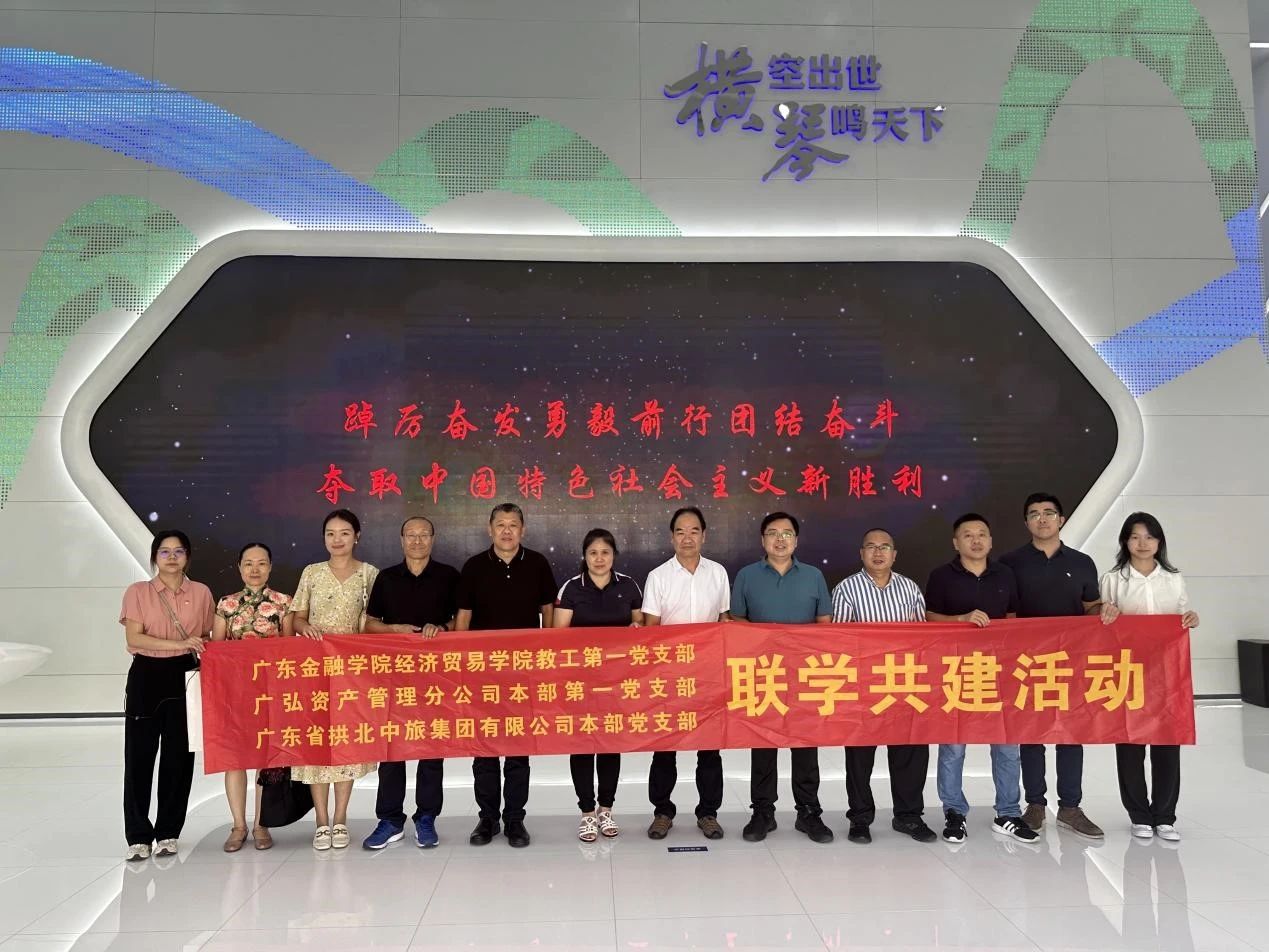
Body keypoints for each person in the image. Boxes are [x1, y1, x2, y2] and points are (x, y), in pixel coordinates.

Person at [925, 513, 1038, 844]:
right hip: (954, 671)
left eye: (982, 534)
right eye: (968, 535)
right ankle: (954, 812)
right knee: (953, 745)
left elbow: (1013, 618)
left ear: (990, 541)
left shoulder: (1005, 574)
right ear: (955, 542)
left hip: (999, 671)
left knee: (1007, 745)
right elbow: (928, 618)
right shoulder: (941, 576)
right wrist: (960, 620)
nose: (975, 540)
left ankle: (1008, 813)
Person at [1000, 492, 1104, 839]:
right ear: (1026, 522)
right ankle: (1035, 804)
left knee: (1071, 734)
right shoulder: (1010, 563)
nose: (1042, 519)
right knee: (1031, 734)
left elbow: (1090, 607)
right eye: (1034, 514)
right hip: (1026, 663)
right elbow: (1006, 613)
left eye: (1048, 513)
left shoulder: (1082, 562)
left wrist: (1104, 610)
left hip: (1071, 662)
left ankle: (1071, 807)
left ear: (1061, 519)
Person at [455, 503, 557, 849]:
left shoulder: (538, 563)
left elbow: (548, 612)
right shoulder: (474, 567)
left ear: (523, 530)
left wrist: (546, 657)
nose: (507, 531)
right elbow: (463, 617)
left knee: (517, 749)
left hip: (523, 672)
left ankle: (515, 819)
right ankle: (487, 819)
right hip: (482, 672)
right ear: (490, 529)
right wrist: (462, 667)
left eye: (513, 525)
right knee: (484, 749)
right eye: (501, 525)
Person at [732, 512, 834, 844]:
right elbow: (736, 622)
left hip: (805, 674)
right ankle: (763, 812)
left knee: (805, 746)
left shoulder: (814, 576)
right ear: (762, 540)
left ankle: (809, 812)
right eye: (773, 533)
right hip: (763, 673)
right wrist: (768, 641)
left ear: (796, 540)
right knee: (763, 745)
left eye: (787, 533)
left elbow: (824, 624)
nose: (780, 539)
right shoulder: (746, 576)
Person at [830, 528, 936, 844]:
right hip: (863, 687)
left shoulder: (910, 588)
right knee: (860, 757)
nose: (878, 553)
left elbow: (923, 637)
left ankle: (909, 816)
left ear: (894, 554)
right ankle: (860, 818)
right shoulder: (846, 589)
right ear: (861, 553)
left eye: (885, 547)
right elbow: (838, 641)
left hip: (904, 683)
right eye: (871, 547)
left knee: (910, 752)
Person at [361, 516, 459, 851]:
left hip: (436, 675)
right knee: (392, 749)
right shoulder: (387, 578)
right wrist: (393, 630)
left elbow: (462, 621)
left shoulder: (449, 576)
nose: (417, 541)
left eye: (423, 535)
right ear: (401, 540)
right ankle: (390, 820)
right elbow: (370, 625)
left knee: (432, 747)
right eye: (411, 535)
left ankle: (426, 818)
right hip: (393, 674)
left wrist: (442, 629)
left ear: (433, 538)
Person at [1099, 512, 1199, 842]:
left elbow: (1180, 617)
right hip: (1128, 671)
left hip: (1167, 672)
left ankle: (1165, 815)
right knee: (1130, 741)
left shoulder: (1173, 578)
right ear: (1125, 541)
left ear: (1159, 542)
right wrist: (1107, 614)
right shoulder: (1113, 579)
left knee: (1167, 741)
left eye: (1149, 537)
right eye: (1135, 537)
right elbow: (1102, 625)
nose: (1142, 543)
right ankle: (1139, 814)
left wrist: (1190, 618)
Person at [119, 530, 215, 862]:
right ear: (154, 557)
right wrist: (179, 643)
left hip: (185, 677)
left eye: (178, 551)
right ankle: (137, 836)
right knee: (139, 758)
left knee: (178, 759)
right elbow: (134, 639)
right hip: (147, 675)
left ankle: (168, 833)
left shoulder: (201, 592)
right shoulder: (138, 592)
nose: (172, 557)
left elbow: (206, 635)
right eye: (164, 551)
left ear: (188, 556)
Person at [289, 509, 379, 851]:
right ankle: (321, 822)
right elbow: (297, 618)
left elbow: (374, 623)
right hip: (314, 669)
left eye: (344, 533)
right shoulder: (311, 573)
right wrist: (305, 628)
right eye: (330, 533)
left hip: (351, 670)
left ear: (357, 536)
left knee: (345, 742)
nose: (337, 539)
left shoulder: (369, 574)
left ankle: (340, 819)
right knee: (316, 741)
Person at [642, 506, 731, 841]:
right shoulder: (658, 576)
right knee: (665, 747)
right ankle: (662, 812)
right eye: (680, 531)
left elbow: (724, 621)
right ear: (672, 537)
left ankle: (708, 813)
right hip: (669, 676)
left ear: (704, 536)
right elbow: (651, 630)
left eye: (694, 531)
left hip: (708, 675)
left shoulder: (718, 573)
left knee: (709, 749)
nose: (687, 538)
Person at [554, 528, 644, 841]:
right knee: (582, 745)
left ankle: (606, 809)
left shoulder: (628, 585)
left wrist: (636, 628)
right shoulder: (572, 587)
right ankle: (586, 813)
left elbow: (639, 624)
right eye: (593, 552)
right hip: (579, 682)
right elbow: (558, 636)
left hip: (616, 681)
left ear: (614, 555)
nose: (599, 558)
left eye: (605, 552)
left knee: (609, 744)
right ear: (584, 556)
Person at [210, 542, 294, 852]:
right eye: (248, 563)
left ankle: (261, 824)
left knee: (263, 759)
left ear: (270, 567)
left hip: (270, 693)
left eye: (261, 563)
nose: (254, 569)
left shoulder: (284, 603)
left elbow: (289, 650)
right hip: (234, 693)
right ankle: (238, 825)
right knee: (234, 759)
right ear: (239, 567)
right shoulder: (226, 604)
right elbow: (216, 651)